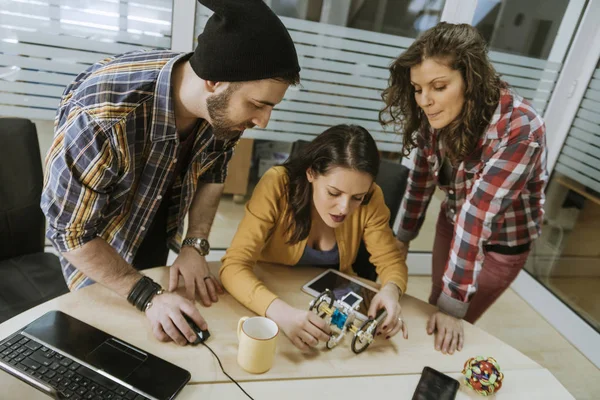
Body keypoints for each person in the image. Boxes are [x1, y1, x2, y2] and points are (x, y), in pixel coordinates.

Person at [41, 0, 300, 346]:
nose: (262, 121)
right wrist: (147, 295)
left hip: (153, 238)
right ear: (213, 81)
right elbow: (69, 233)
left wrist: (194, 244)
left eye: (271, 107)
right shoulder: (102, 116)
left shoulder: (222, 111)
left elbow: (214, 169)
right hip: (95, 265)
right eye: (257, 104)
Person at [380, 22, 547, 355]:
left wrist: (454, 305)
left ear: (471, 78)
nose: (425, 101)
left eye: (438, 86)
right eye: (417, 88)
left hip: (502, 245)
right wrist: (403, 237)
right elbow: (422, 178)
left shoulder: (521, 127)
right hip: (455, 220)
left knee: (453, 319)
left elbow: (478, 215)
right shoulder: (435, 114)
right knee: (434, 305)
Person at [220, 125, 409, 351]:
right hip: (267, 298)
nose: (344, 208)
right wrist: (281, 314)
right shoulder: (278, 184)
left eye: (357, 197)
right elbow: (233, 266)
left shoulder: (372, 197)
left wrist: (391, 290)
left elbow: (391, 261)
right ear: (311, 173)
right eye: (333, 193)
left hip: (328, 311)